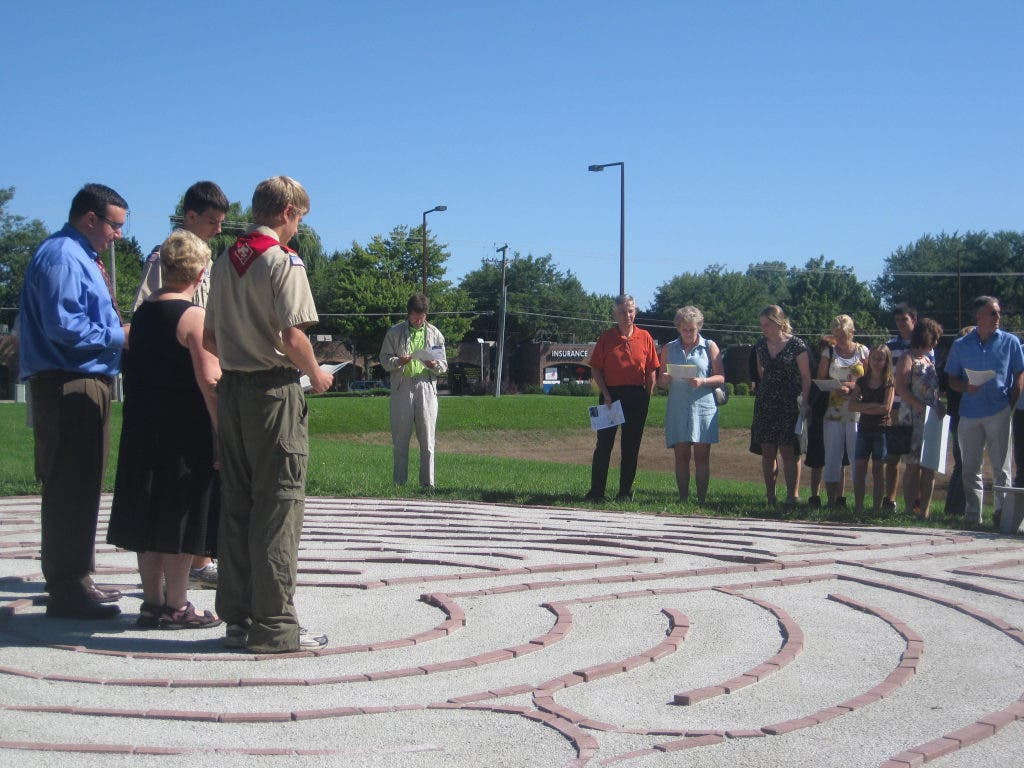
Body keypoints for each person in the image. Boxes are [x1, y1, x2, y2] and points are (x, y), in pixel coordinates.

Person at [204, 176, 333, 652]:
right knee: (279, 506)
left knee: (237, 504)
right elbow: (295, 336)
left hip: (233, 391)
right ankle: (275, 626)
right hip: (273, 394)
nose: (298, 229)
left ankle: (236, 618)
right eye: (299, 218)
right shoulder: (283, 262)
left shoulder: (224, 261)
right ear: (286, 213)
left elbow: (210, 339)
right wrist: (317, 376)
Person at [18, 183, 130, 619]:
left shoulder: (82, 256)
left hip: (85, 381)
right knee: (69, 484)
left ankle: (78, 578)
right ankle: (67, 589)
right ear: (90, 218)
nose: (118, 235)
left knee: (82, 484)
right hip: (69, 383)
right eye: (115, 225)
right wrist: (120, 336)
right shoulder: (63, 256)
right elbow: (63, 327)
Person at [107, 231, 222, 628]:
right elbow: (210, 380)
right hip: (183, 434)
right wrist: (222, 432)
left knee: (148, 513)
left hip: (142, 430)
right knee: (180, 515)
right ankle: (177, 604)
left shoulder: (141, 316)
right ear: (201, 272)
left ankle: (152, 603)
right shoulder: (194, 317)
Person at [132, 180, 229, 590]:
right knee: (179, 489)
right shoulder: (166, 260)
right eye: (211, 221)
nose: (219, 229)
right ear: (189, 216)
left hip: (187, 378)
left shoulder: (205, 258)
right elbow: (152, 317)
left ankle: (191, 566)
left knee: (190, 484)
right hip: (179, 387)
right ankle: (177, 590)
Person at [944, 296, 1024, 527]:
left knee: (1002, 468)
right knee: (970, 468)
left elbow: (1019, 372)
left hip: (999, 409)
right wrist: (964, 386)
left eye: (998, 312)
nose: (997, 317)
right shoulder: (961, 345)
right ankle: (973, 516)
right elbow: (951, 378)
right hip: (969, 412)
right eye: (992, 313)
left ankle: (1003, 515)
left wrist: (1014, 396)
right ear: (978, 316)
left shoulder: (1010, 342)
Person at [585, 294, 660, 502]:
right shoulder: (606, 338)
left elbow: (652, 369)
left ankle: (624, 492)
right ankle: (596, 492)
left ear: (635, 311)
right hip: (611, 396)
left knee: (631, 446)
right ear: (615, 314)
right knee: (604, 445)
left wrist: (647, 394)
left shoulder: (645, 337)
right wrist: (606, 394)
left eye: (630, 310)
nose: (627, 315)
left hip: (637, 395)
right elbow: (596, 369)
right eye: (622, 312)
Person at [379, 293, 448, 488]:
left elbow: (443, 366)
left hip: (426, 387)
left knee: (427, 440)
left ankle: (428, 485)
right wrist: (398, 361)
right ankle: (399, 484)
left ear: (426, 315)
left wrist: (434, 364)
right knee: (401, 439)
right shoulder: (394, 333)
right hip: (402, 386)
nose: (418, 320)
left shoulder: (435, 334)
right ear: (408, 314)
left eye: (422, 316)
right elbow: (384, 359)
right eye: (415, 316)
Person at [658, 306, 724, 503]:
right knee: (681, 455)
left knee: (702, 456)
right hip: (678, 407)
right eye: (684, 329)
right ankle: (683, 498)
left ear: (699, 327)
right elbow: (660, 382)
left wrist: (702, 381)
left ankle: (702, 499)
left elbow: (721, 377)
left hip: (702, 406)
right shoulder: (669, 348)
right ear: (678, 327)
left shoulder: (710, 346)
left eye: (692, 329)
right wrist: (666, 378)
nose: (688, 333)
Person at [750, 305, 811, 505]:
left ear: (778, 322)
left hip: (790, 404)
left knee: (789, 451)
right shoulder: (760, 345)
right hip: (767, 403)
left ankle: (792, 495)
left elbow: (805, 376)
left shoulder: (796, 344)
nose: (763, 329)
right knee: (767, 450)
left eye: (766, 324)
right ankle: (770, 495)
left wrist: (805, 401)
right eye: (762, 325)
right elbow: (761, 373)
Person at [894, 318, 943, 519]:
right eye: (935, 338)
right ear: (926, 336)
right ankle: (909, 509)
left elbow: (934, 390)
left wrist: (939, 405)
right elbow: (900, 387)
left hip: (930, 420)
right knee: (912, 465)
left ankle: (925, 510)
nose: (936, 343)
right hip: (912, 419)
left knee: (929, 466)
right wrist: (918, 405)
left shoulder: (928, 360)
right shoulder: (908, 357)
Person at [818, 315, 868, 508]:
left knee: (857, 458)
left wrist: (852, 386)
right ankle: (831, 500)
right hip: (833, 413)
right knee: (832, 457)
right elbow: (820, 380)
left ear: (852, 333)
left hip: (857, 413)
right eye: (836, 335)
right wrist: (836, 387)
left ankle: (859, 502)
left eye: (843, 335)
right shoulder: (828, 353)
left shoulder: (863, 352)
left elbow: (871, 378)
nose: (839, 339)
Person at [882, 303, 920, 513]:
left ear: (913, 319)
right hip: (896, 406)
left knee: (916, 459)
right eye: (897, 320)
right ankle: (890, 499)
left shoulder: (925, 344)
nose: (900, 324)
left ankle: (915, 501)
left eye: (904, 320)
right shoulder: (890, 346)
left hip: (919, 408)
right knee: (893, 456)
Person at [849, 345, 894, 515]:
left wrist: (864, 406)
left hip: (881, 430)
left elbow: (886, 409)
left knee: (878, 470)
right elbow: (852, 406)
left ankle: (876, 509)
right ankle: (859, 507)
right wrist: (872, 405)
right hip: (864, 429)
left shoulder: (889, 381)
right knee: (859, 468)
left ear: (886, 361)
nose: (876, 362)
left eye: (880, 358)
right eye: (873, 358)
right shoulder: (861, 381)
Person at [942, 325, 975, 517]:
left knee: (961, 465)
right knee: (964, 464)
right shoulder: (958, 367)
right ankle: (956, 509)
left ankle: (953, 509)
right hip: (961, 418)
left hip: (958, 417)